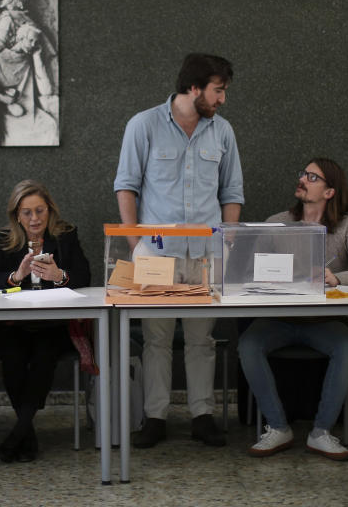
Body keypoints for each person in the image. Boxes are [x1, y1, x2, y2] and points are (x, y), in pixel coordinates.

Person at [114, 53, 244, 448]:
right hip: (157, 254)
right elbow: (126, 186)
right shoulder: (144, 124)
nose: (222, 99)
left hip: (205, 253)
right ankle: (155, 417)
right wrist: (137, 246)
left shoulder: (222, 132)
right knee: (156, 339)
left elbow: (231, 192)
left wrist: (229, 243)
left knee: (201, 340)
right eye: (218, 90)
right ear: (194, 87)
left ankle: (202, 416)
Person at [239, 158, 348, 461]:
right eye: (302, 174)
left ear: (330, 191)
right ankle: (278, 427)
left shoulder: (347, 227)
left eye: (312, 177)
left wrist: (338, 277)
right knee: (248, 344)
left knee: (347, 347)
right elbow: (248, 268)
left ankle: (321, 432)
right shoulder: (277, 222)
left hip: (323, 321)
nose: (302, 179)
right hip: (279, 319)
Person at [0, 180, 91, 463]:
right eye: (27, 212)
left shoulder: (65, 236)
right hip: (12, 325)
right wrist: (15, 278)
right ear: (17, 215)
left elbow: (85, 275)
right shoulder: (4, 238)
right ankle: (25, 435)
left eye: (40, 211)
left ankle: (19, 433)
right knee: (13, 361)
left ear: (49, 210)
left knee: (44, 359)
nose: (34, 218)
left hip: (52, 324)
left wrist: (60, 277)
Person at [0, 23, 58, 145]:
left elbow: (46, 91)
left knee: (50, 125)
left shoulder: (29, 59)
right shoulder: (0, 58)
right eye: (30, 40)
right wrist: (3, 98)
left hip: (25, 107)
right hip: (0, 108)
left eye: (36, 42)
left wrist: (37, 57)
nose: (33, 45)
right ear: (20, 38)